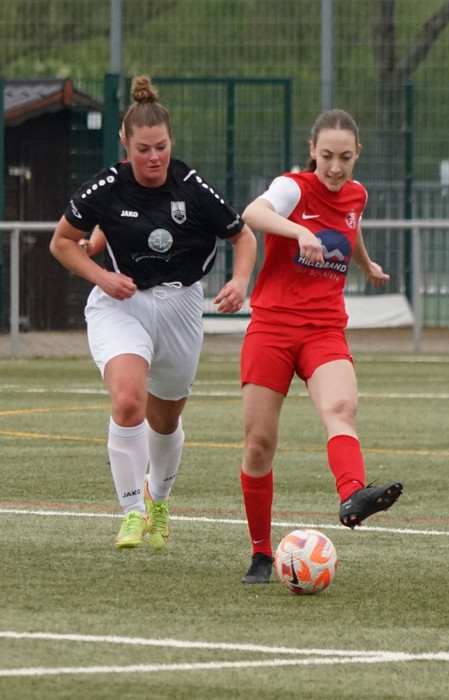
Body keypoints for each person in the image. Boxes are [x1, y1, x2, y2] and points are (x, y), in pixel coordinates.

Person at [49, 75, 257, 550]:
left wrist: (240, 280)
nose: (154, 157)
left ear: (171, 142)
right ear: (125, 144)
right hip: (121, 305)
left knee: (165, 420)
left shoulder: (191, 186)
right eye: (143, 149)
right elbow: (62, 242)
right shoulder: (107, 186)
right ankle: (131, 512)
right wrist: (102, 277)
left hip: (181, 307)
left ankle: (158, 499)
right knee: (128, 401)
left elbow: (242, 236)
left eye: (161, 147)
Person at [238, 108, 403, 584]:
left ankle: (353, 495)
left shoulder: (357, 194)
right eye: (327, 156)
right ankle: (261, 553)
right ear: (313, 150)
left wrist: (365, 264)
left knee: (342, 408)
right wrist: (299, 230)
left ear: (358, 155)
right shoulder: (292, 188)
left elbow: (351, 226)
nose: (335, 167)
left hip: (324, 328)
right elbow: (252, 213)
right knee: (258, 446)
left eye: (345, 158)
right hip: (272, 326)